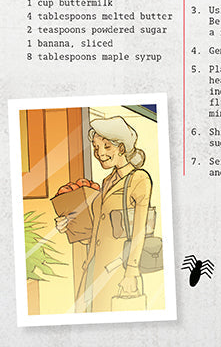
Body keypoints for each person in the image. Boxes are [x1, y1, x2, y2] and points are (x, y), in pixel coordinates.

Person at [56, 115, 153, 312]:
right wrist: (69, 226)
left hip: (119, 270)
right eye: (96, 147)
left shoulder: (139, 179)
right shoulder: (107, 182)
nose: (99, 153)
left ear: (122, 148)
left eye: (106, 147)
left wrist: (131, 272)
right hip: (93, 267)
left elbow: (139, 230)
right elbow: (99, 231)